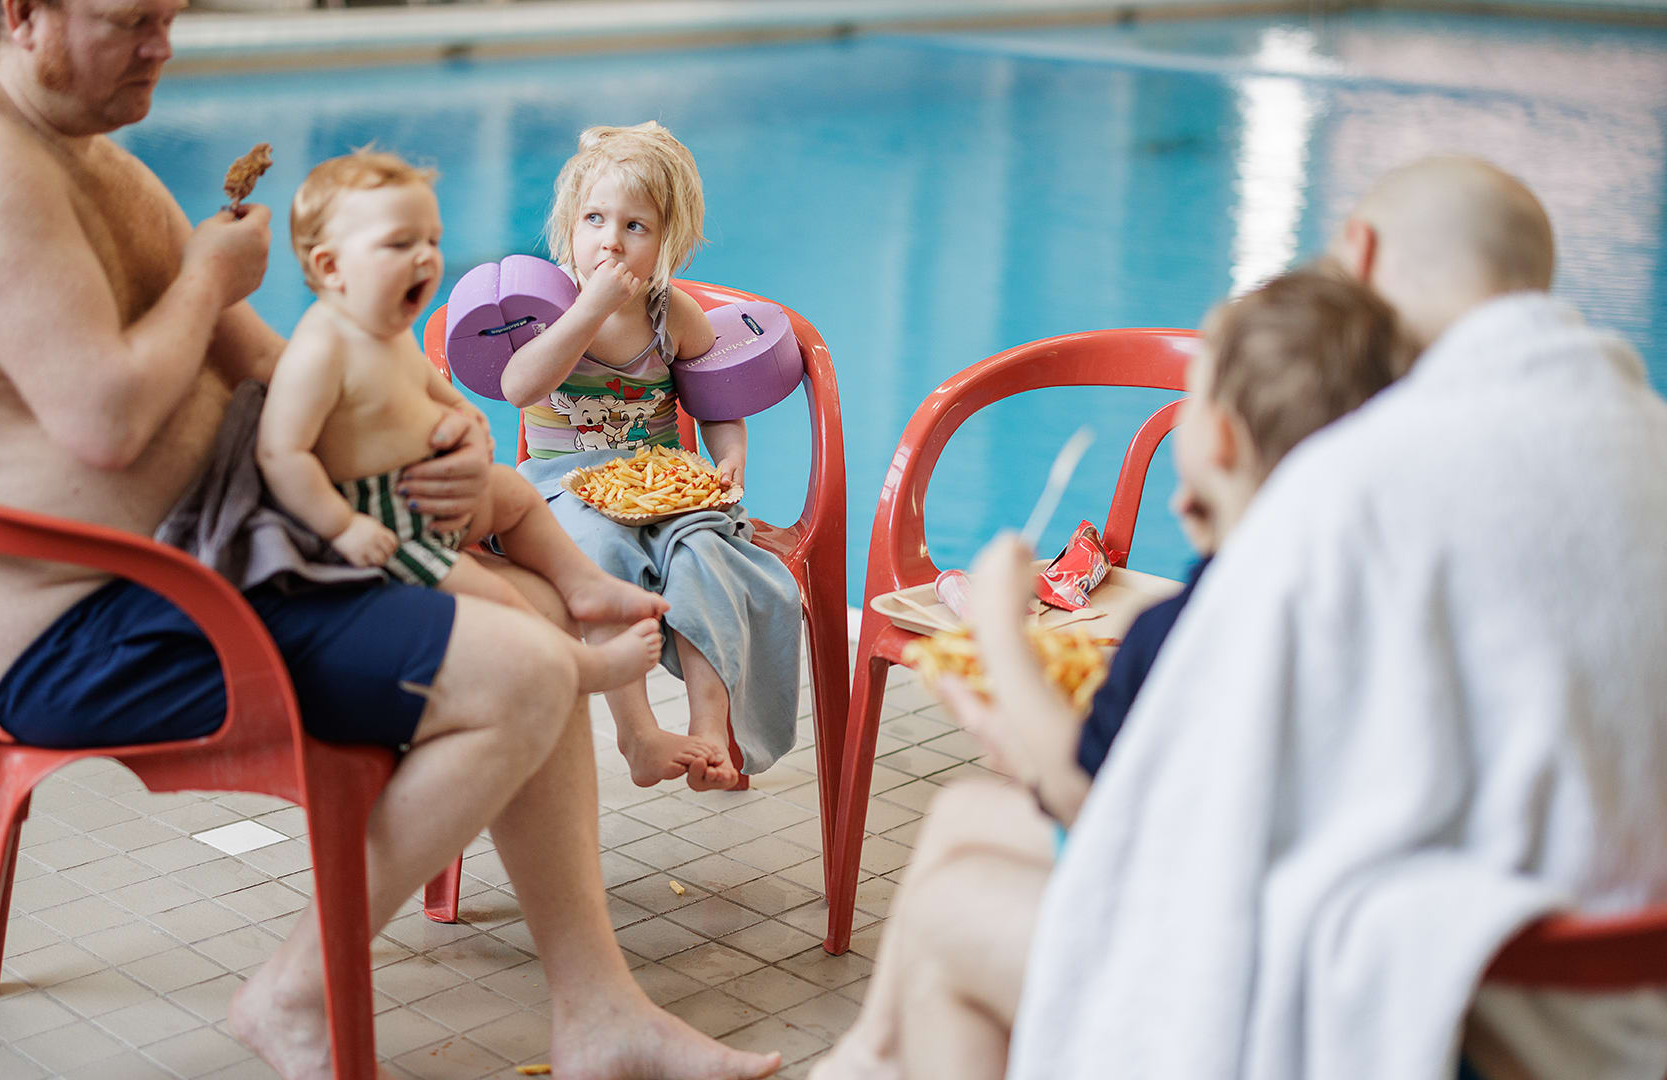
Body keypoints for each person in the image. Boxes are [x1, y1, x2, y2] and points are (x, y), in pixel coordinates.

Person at [0, 3, 782, 1078]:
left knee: (535, 607)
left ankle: (600, 1014)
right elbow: (102, 420)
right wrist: (205, 276)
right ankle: (296, 991)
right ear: (24, 14)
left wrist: (442, 436)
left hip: (210, 568)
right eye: (131, 20)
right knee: (524, 672)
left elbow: (266, 359)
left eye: (170, 16)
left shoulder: (84, 161)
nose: (163, 44)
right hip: (96, 626)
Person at [999, 156, 1667, 1080]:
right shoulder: (1641, 433)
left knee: (962, 904)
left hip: (1465, 994)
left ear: (1359, 251)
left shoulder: (1363, 483)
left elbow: (1161, 806)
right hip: (1633, 975)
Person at [811, 267, 1417, 1080]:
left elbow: (1082, 794)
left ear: (1222, 441)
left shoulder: (1207, 624)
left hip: (1247, 990)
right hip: (1304, 919)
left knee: (949, 918)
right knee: (961, 817)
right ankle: (868, 1056)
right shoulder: (1370, 590)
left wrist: (998, 635)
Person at [257, 149, 667, 694]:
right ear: (331, 267)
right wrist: (342, 527)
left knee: (513, 493)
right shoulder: (320, 351)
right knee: (504, 596)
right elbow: (281, 455)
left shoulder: (385, 329)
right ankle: (581, 664)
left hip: (425, 502)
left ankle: (587, 585)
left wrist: (467, 419)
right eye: (401, 244)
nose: (427, 259)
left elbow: (435, 391)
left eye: (432, 240)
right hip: (386, 530)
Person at [501, 121, 802, 791]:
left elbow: (718, 401)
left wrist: (730, 459)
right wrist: (591, 308)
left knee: (706, 558)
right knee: (598, 554)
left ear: (668, 244)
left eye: (636, 226)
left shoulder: (674, 316)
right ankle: (636, 732)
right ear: (567, 226)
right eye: (595, 218)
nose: (610, 239)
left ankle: (707, 732)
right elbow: (519, 386)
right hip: (565, 487)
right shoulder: (545, 309)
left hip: (662, 488)